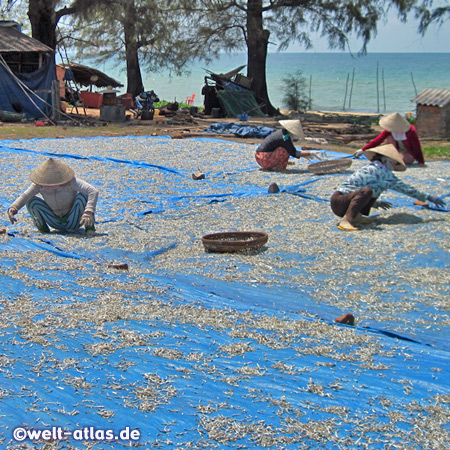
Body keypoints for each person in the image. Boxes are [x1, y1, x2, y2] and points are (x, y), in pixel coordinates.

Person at [331, 144, 445, 231]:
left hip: (341, 201)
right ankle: (346, 221)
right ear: (386, 160)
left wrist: (375, 203)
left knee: (372, 189)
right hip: (340, 201)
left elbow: (360, 189)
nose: (394, 165)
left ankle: (357, 217)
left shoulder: (375, 168)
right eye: (394, 162)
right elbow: (404, 188)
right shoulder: (382, 171)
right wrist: (428, 197)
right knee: (367, 191)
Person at [7, 158, 99, 234]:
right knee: (31, 201)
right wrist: (14, 207)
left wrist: (88, 212)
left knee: (82, 196)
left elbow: (93, 191)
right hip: (54, 220)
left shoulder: (71, 182)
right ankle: (43, 229)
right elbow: (26, 195)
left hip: (74, 218)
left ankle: (89, 228)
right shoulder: (39, 185)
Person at [354, 112, 425, 166]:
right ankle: (391, 157)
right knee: (389, 138)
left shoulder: (411, 131)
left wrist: (420, 161)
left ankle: (393, 159)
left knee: (405, 160)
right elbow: (378, 140)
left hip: (406, 152)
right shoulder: (389, 130)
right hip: (395, 150)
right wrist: (363, 149)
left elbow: (416, 146)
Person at [255, 119, 325, 170]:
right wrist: (310, 153)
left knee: (285, 149)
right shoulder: (285, 138)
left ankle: (275, 165)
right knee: (284, 150)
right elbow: (293, 152)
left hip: (259, 156)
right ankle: (279, 167)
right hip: (264, 160)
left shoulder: (282, 132)